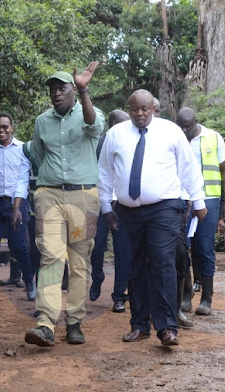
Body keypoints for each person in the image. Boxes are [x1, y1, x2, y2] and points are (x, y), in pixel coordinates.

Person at [98, 89, 206, 347]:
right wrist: (105, 206)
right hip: (127, 211)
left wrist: (199, 200)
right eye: (134, 109)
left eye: (145, 109)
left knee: (162, 264)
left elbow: (188, 167)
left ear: (154, 109)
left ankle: (167, 327)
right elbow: (104, 171)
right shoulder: (115, 135)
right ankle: (139, 325)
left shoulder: (170, 131)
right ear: (129, 108)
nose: (139, 114)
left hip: (164, 208)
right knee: (134, 266)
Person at [24, 64, 105, 347]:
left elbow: (95, 125)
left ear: (73, 90)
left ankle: (74, 322)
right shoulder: (41, 121)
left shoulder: (88, 114)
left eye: (63, 88)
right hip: (49, 194)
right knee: (50, 257)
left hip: (83, 196)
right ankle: (45, 322)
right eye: (53, 90)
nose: (57, 94)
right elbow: (37, 155)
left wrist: (84, 90)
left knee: (80, 260)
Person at [176, 107, 225, 316]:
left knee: (204, 248)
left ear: (196, 121)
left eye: (188, 127)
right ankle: (185, 295)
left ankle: (206, 298)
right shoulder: (174, 137)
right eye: (181, 127)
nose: (185, 131)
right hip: (182, 200)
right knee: (182, 249)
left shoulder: (213, 137)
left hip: (208, 200)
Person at [0, 112, 36, 304]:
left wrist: (17, 207)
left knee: (18, 245)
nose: (1, 131)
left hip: (17, 203)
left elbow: (22, 180)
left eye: (5, 127)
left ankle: (29, 283)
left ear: (12, 127)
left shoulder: (22, 149)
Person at [90, 109, 132, 313]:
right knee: (97, 246)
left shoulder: (129, 143)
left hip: (121, 205)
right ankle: (97, 276)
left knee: (122, 251)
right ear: (113, 124)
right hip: (98, 203)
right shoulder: (97, 144)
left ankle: (119, 295)